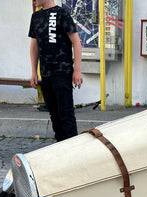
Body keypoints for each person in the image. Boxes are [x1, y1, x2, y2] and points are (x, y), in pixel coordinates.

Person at [29, 0, 83, 141]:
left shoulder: (62, 13)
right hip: (46, 74)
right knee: (53, 113)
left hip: (62, 72)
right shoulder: (36, 17)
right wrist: (34, 72)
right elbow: (34, 46)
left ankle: (73, 146)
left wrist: (77, 70)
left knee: (66, 113)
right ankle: (60, 145)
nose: (33, 1)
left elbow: (76, 42)